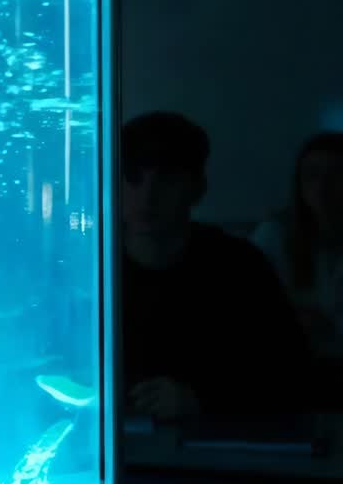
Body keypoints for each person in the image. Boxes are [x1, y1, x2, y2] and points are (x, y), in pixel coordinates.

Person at [119, 112, 309, 422]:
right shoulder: (89, 268)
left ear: (197, 188)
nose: (147, 196)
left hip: (217, 455)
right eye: (133, 177)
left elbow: (291, 374)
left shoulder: (240, 267)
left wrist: (200, 400)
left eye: (166, 178)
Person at [250, 132, 343, 358]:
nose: (322, 188)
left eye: (337, 176)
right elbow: (245, 304)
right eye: (311, 176)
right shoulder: (274, 236)